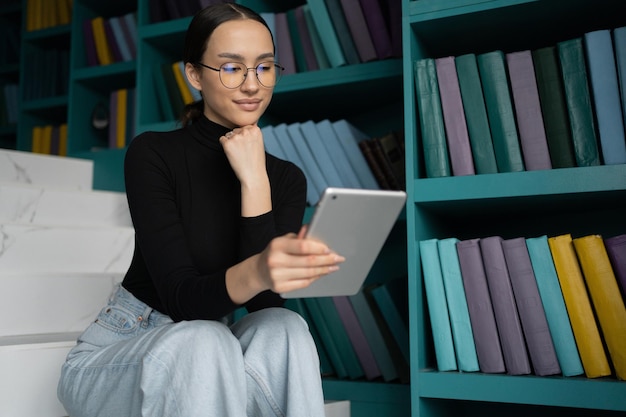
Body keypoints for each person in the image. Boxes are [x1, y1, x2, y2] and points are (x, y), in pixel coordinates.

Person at [57, 3, 345, 416]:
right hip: (124, 348)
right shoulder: (153, 153)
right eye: (232, 68)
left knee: (287, 328)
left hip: (211, 362)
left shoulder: (283, 178)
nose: (252, 85)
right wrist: (262, 266)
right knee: (202, 338)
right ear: (195, 75)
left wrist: (254, 181)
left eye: (264, 68)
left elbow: (264, 304)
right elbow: (182, 300)